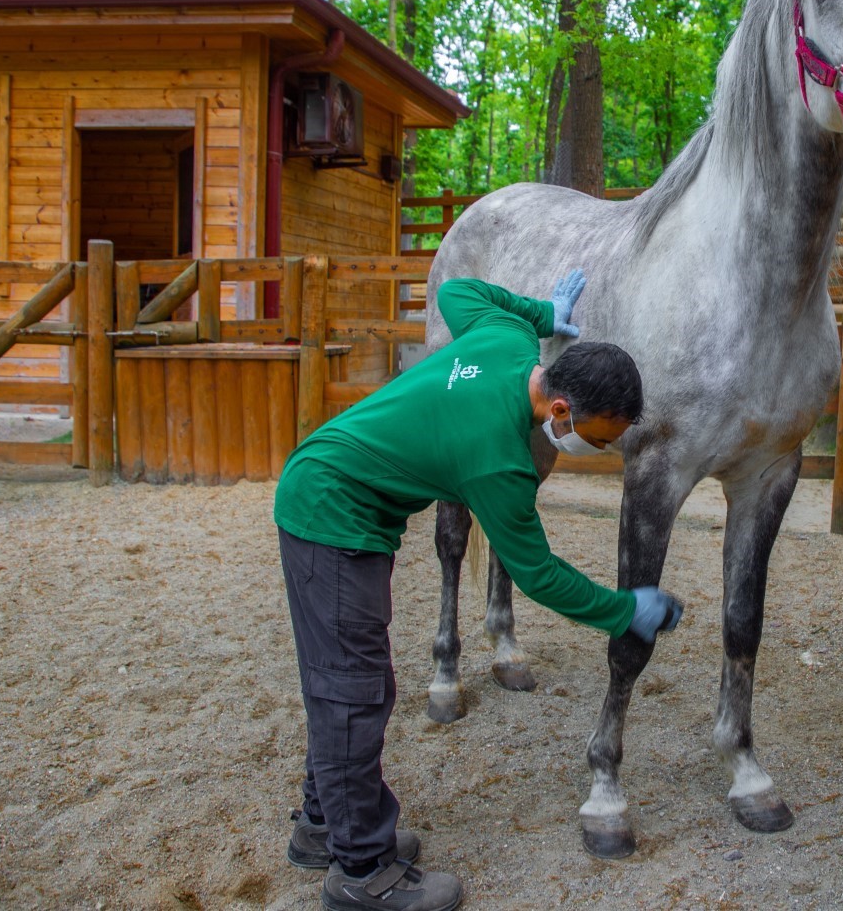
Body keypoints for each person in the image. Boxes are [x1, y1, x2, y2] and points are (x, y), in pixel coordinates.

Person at [273, 270, 684, 911]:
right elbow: (539, 574)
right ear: (560, 411)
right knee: (351, 691)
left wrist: (541, 312)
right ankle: (360, 873)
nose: (597, 449)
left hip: (346, 499)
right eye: (598, 437)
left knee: (356, 683)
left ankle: (323, 826)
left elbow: (460, 291)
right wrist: (623, 609)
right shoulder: (498, 462)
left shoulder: (509, 340)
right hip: (330, 512)